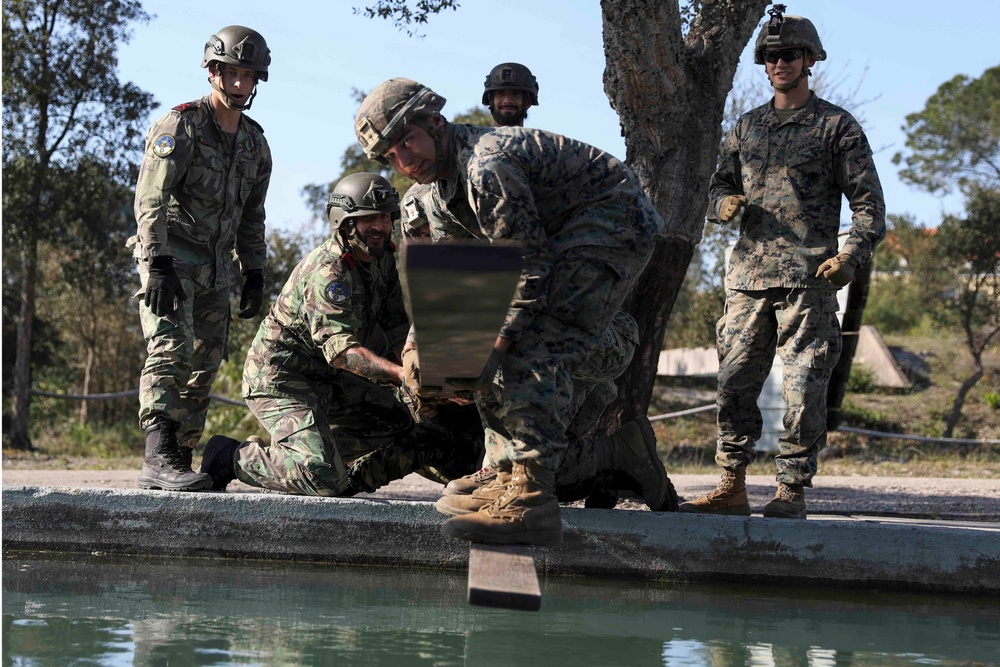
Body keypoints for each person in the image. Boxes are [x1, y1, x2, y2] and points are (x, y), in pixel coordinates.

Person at [355, 78, 673, 546]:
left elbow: (530, 269)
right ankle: (502, 470)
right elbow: (453, 290)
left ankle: (532, 499)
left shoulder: (487, 165)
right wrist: (418, 348)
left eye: (408, 141)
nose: (404, 161)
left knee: (530, 336)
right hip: (554, 242)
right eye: (390, 156)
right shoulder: (428, 198)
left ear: (435, 123)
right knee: (468, 339)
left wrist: (496, 346)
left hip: (611, 221)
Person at [680, 6, 885, 519]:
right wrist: (722, 203)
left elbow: (869, 207)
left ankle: (790, 490)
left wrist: (849, 257)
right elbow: (718, 183)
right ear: (763, 62)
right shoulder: (748, 128)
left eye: (790, 54)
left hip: (809, 280)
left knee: (804, 388)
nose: (780, 63)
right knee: (734, 384)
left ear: (809, 59)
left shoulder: (836, 126)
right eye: (771, 56)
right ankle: (731, 484)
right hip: (747, 279)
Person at [198, 173, 483, 495]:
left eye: (386, 217)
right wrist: (404, 376)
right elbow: (342, 352)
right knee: (325, 480)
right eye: (368, 219)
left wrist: (421, 383)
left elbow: (395, 327)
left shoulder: (382, 258)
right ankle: (230, 456)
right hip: (282, 380)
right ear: (344, 223)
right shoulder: (328, 271)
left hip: (332, 378)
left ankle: (298, 459)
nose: (380, 226)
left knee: (398, 422)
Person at [129, 25, 273, 491]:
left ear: (258, 80)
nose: (238, 84)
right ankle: (156, 454)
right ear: (213, 73)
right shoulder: (181, 125)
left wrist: (254, 270)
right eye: (230, 73)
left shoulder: (255, 142)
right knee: (170, 348)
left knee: (205, 363)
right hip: (171, 261)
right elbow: (150, 198)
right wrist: (157, 261)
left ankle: (178, 455)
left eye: (247, 75)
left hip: (217, 269)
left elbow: (253, 214)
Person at [482, 62, 538, 128]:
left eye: (516, 94)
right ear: (490, 100)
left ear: (528, 102)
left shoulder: (543, 138)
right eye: (500, 94)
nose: (507, 100)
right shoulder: (471, 137)